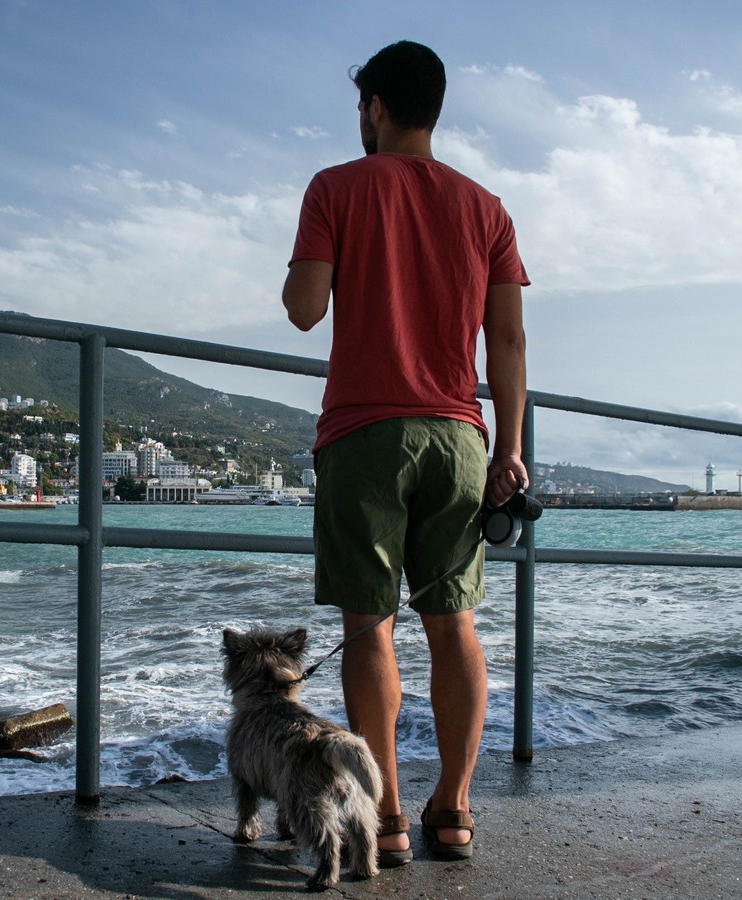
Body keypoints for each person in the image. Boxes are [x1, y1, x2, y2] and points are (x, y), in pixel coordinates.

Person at [281, 40, 529, 866]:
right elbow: (508, 340)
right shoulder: (487, 208)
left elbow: (304, 311)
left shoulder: (335, 188)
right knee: (452, 623)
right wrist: (511, 449)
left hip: (364, 432)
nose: (359, 121)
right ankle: (453, 813)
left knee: (368, 624)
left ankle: (383, 820)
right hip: (461, 436)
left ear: (377, 107)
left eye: (361, 108)